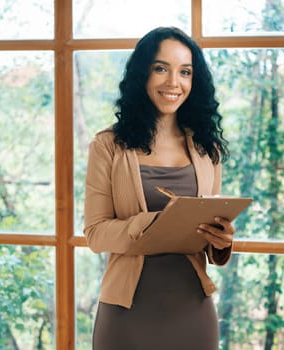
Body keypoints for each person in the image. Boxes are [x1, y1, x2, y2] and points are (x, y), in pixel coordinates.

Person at [83, 26, 234, 350]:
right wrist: (151, 225)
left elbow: (209, 231)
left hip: (193, 308)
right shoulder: (108, 145)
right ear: (143, 74)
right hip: (127, 312)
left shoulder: (208, 149)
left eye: (185, 72)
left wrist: (221, 241)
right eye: (161, 68)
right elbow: (95, 234)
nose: (173, 83)